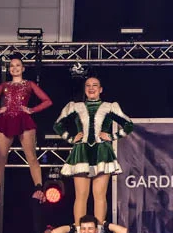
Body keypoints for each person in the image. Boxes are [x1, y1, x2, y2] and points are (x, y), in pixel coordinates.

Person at [54, 76, 134, 223]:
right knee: (81, 196)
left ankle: (99, 231)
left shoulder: (109, 107)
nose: (91, 88)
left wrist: (112, 136)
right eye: (88, 85)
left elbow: (129, 125)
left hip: (102, 152)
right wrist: (71, 138)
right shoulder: (76, 107)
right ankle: (79, 231)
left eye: (95, 85)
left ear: (100, 89)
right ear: (84, 89)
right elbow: (58, 125)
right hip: (81, 153)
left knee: (100, 195)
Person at [0, 56, 53, 204]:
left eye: (18, 65)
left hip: (23, 120)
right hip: (5, 121)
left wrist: (32, 110)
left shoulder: (29, 84)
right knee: (1, 158)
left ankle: (38, 189)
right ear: (9, 70)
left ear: (23, 68)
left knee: (31, 156)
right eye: (12, 66)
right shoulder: (4, 85)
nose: (15, 68)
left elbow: (47, 101)